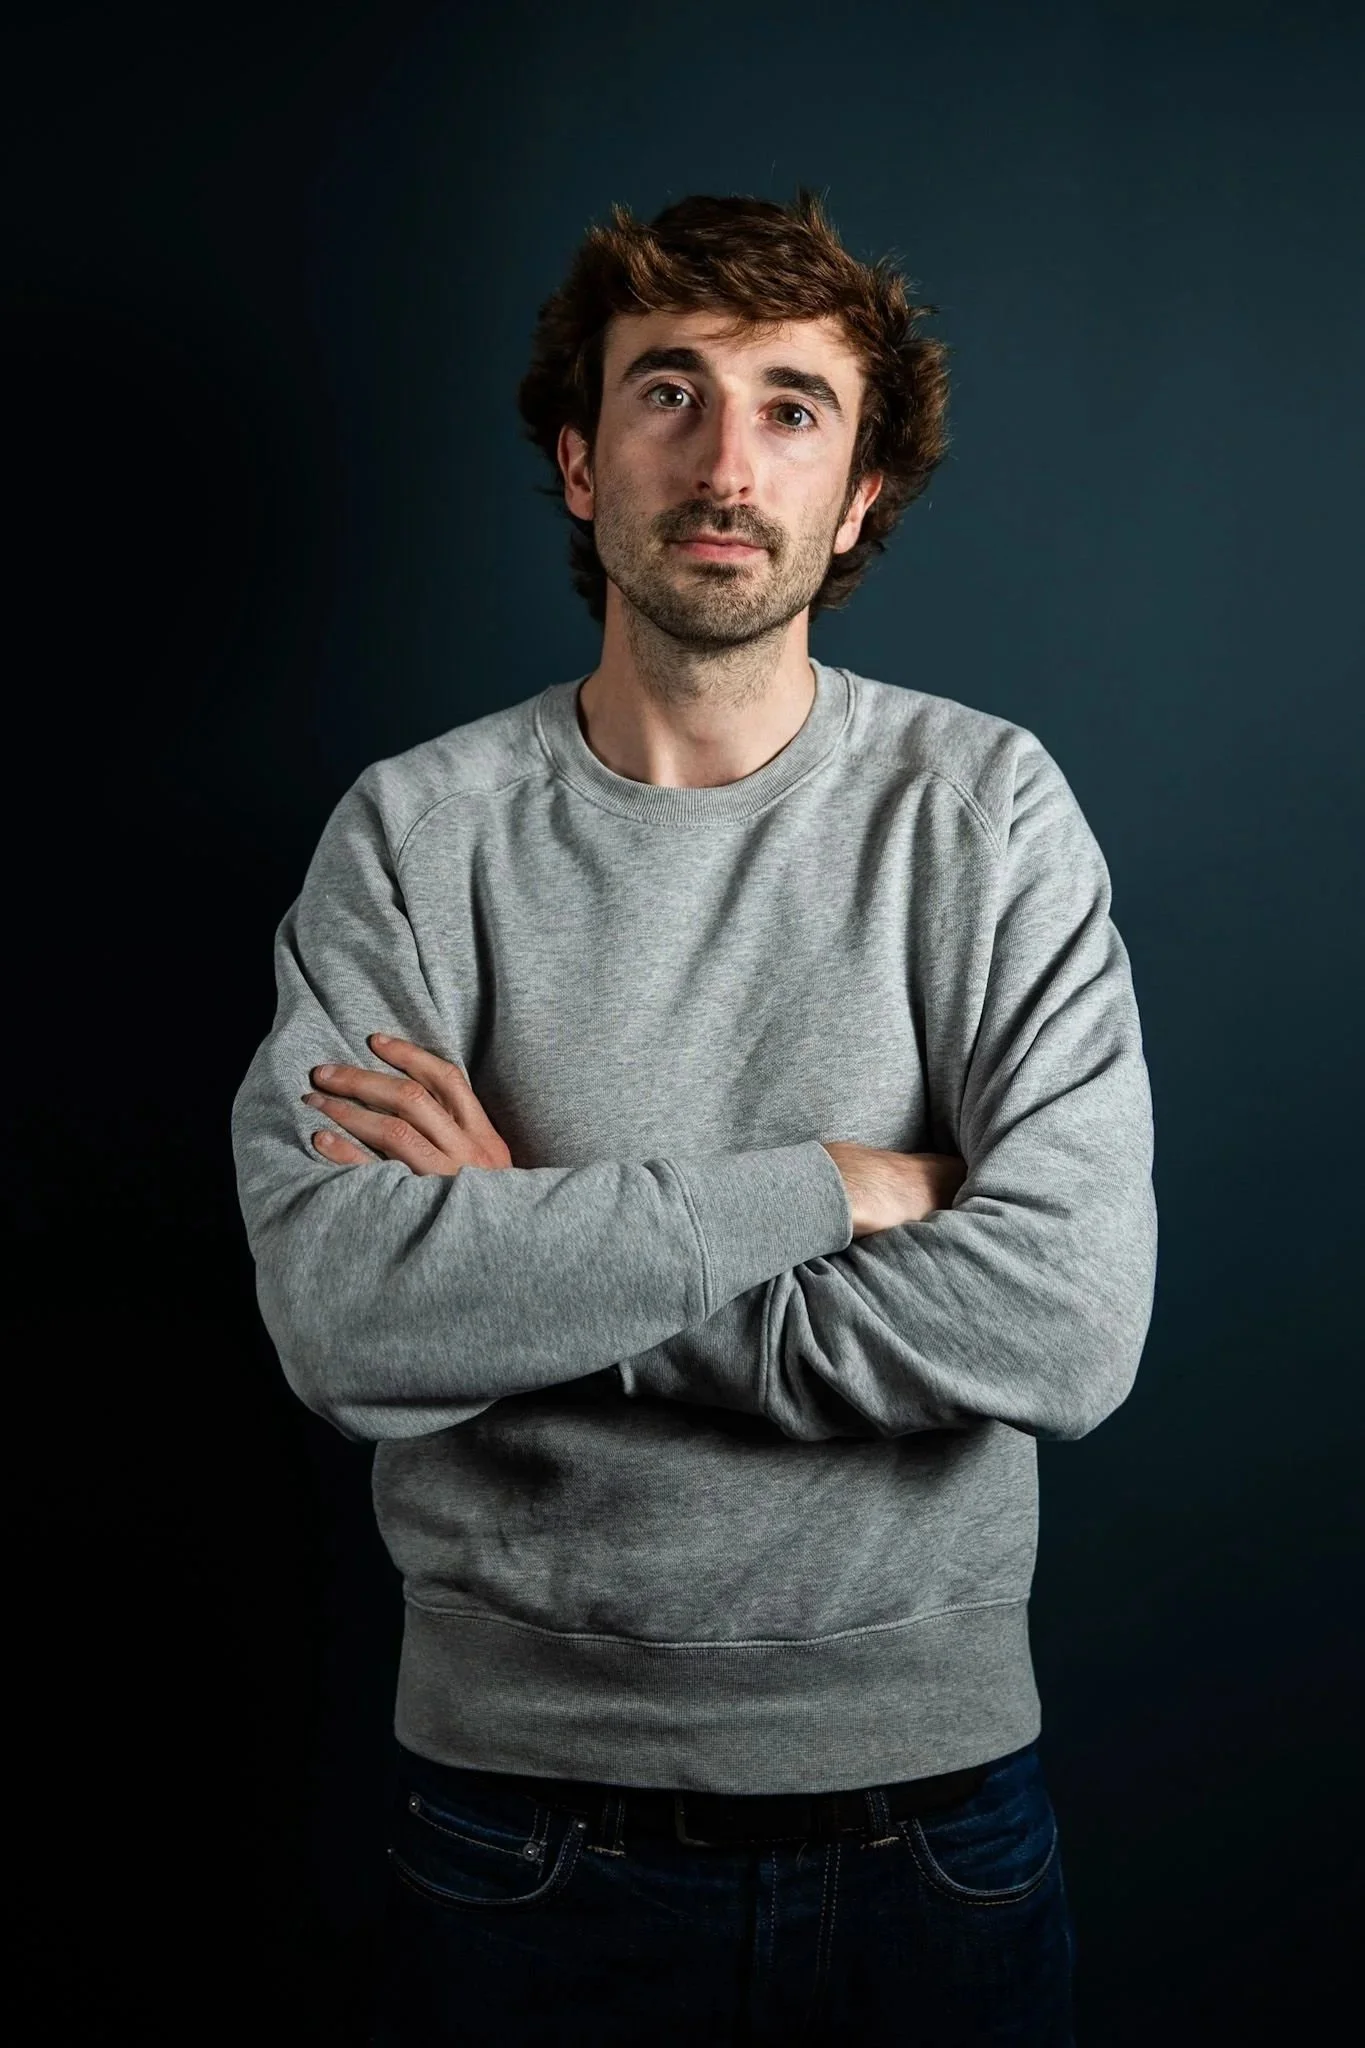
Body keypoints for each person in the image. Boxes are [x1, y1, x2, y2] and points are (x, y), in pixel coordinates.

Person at [231, 189, 1157, 2047]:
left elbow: (1065, 1323)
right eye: (671, 393)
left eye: (795, 407)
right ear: (581, 460)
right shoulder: (415, 840)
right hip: (518, 1838)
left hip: (937, 1827)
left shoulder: (985, 815)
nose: (727, 463)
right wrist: (831, 1186)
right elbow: (349, 1316)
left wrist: (538, 1245)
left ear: (864, 488)